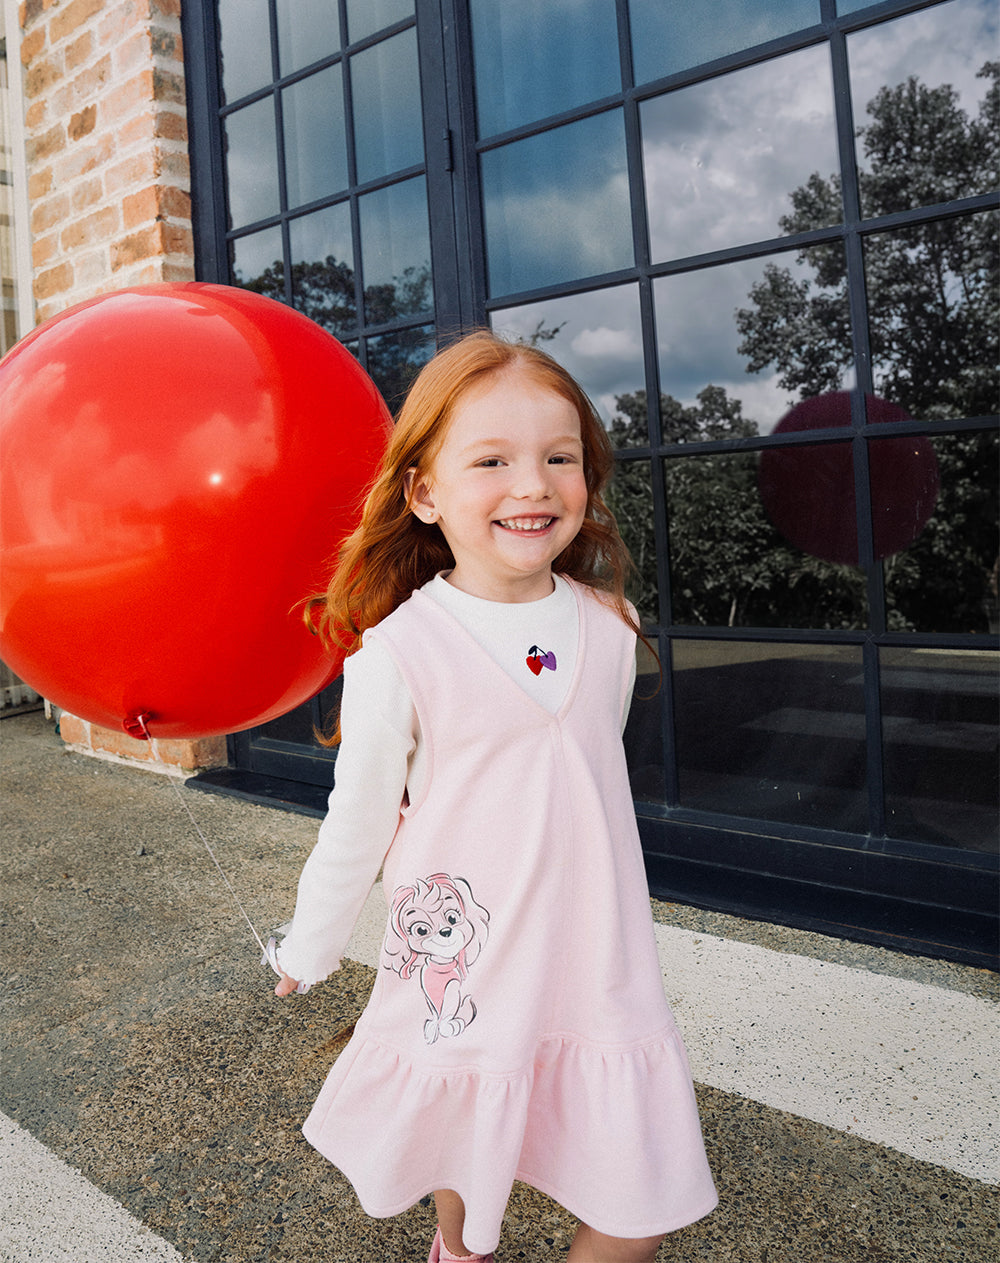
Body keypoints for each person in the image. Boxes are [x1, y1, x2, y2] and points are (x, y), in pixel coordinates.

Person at [268, 331, 718, 1263]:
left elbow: (582, 776)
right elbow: (358, 821)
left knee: (642, 1204)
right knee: (466, 1137)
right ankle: (459, 1250)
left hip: (598, 957)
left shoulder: (611, 625)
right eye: (492, 461)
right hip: (467, 959)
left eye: (560, 457)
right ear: (425, 492)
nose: (532, 486)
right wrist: (312, 942)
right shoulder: (399, 652)